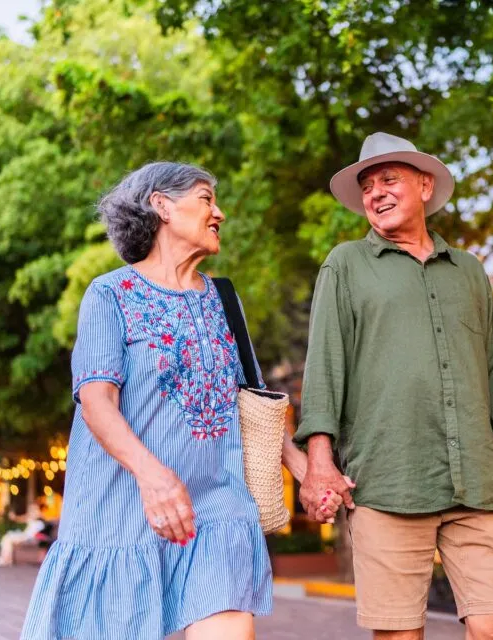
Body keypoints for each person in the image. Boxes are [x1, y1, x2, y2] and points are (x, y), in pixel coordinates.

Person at [20, 163, 343, 640]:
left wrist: (306, 473)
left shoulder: (223, 299)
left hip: (217, 513)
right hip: (122, 514)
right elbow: (96, 401)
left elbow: (251, 405)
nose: (220, 213)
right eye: (206, 198)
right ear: (162, 206)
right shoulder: (110, 295)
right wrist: (152, 477)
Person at [295, 132, 493, 640]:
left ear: (425, 186)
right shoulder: (345, 265)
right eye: (367, 187)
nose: (376, 193)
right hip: (389, 480)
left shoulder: (469, 271)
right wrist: (319, 462)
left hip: (476, 479)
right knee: (400, 634)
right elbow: (324, 368)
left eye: (389, 179)